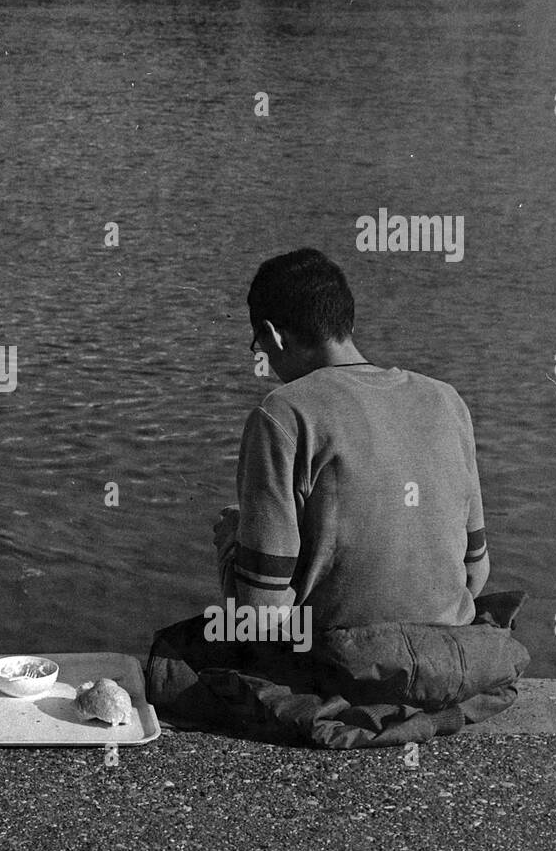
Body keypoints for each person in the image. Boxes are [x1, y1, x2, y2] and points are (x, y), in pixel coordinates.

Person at [148, 248, 528, 745]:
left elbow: (260, 619)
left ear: (273, 335)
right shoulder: (445, 399)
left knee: (177, 658)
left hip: (344, 665)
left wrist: (234, 545)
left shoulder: (282, 414)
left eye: (255, 342)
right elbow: (476, 575)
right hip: (449, 657)